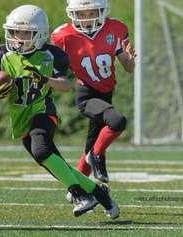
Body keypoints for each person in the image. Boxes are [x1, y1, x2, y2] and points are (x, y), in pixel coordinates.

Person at [0, 4, 119, 219]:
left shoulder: (52, 54)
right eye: (15, 31)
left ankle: (81, 195)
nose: (18, 37)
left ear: (39, 34)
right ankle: (99, 194)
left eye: (25, 32)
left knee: (42, 151)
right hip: (20, 118)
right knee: (54, 163)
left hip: (43, 111)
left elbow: (65, 85)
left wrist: (43, 79)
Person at [51, 0, 136, 184]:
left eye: (91, 13)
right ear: (73, 13)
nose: (87, 18)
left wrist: (131, 60)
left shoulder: (116, 28)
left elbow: (128, 67)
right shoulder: (62, 36)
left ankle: (77, 190)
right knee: (117, 121)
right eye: (81, 14)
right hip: (87, 95)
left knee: (89, 146)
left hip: (106, 94)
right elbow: (57, 72)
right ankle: (97, 156)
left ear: (102, 10)